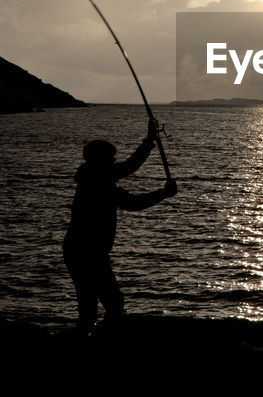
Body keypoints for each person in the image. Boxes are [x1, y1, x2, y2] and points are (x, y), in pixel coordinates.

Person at [63, 117, 177, 335]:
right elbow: (133, 200)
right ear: (102, 160)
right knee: (112, 304)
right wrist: (162, 193)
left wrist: (150, 140)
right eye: (111, 158)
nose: (115, 161)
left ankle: (84, 343)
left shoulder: (91, 176)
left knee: (89, 307)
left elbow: (128, 168)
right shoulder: (99, 183)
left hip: (76, 250)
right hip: (90, 252)